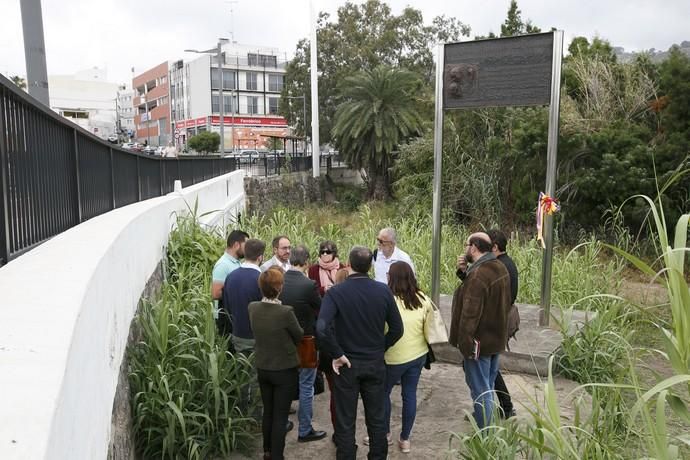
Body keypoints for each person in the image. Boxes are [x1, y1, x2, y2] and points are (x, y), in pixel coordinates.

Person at [317, 246, 404, 460]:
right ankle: (377, 456)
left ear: (349, 263)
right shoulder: (383, 291)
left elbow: (321, 327)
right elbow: (397, 329)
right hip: (375, 362)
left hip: (347, 364)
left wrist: (337, 353)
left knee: (345, 420)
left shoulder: (336, 292)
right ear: (371, 265)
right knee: (377, 419)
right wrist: (381, 347)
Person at [449, 232, 511, 428]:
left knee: (480, 390)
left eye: (467, 244)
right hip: (495, 340)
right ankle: (485, 422)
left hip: (478, 344)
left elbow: (470, 315)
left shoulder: (478, 275)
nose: (465, 248)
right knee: (488, 385)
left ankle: (485, 436)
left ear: (474, 247)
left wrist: (465, 346)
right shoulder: (498, 267)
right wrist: (463, 272)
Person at [249, 267, 303, 460]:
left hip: (263, 366)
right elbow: (299, 335)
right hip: (284, 369)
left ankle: (267, 451)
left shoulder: (252, 307)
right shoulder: (285, 312)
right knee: (280, 416)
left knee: (268, 411)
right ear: (279, 287)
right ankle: (277, 456)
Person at [378, 261, 432, 454]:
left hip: (393, 357)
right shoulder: (422, 298)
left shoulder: (386, 299)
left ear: (391, 278)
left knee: (382, 394)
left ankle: (385, 434)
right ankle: (405, 439)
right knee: (410, 395)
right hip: (418, 355)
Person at [279, 245, 328, 443]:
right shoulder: (309, 285)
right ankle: (305, 429)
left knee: (284, 385)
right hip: (306, 341)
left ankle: (281, 424)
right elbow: (322, 307)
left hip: (283, 340)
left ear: (290, 260)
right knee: (306, 385)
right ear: (307, 262)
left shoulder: (280, 280)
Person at [487, 228, 519, 419]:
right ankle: (504, 407)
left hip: (496, 321)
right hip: (500, 319)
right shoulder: (505, 263)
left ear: (495, 247)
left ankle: (503, 407)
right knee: (488, 365)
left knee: (484, 366)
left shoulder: (499, 267)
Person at [223, 238, 265, 355]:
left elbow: (226, 306)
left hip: (237, 334)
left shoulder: (231, 276)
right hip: (256, 337)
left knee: (240, 371)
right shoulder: (261, 279)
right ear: (260, 257)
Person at [211, 230, 249, 335]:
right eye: (245, 245)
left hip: (233, 313)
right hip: (224, 315)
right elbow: (216, 293)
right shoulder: (223, 265)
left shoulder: (237, 263)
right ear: (236, 245)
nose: (247, 249)